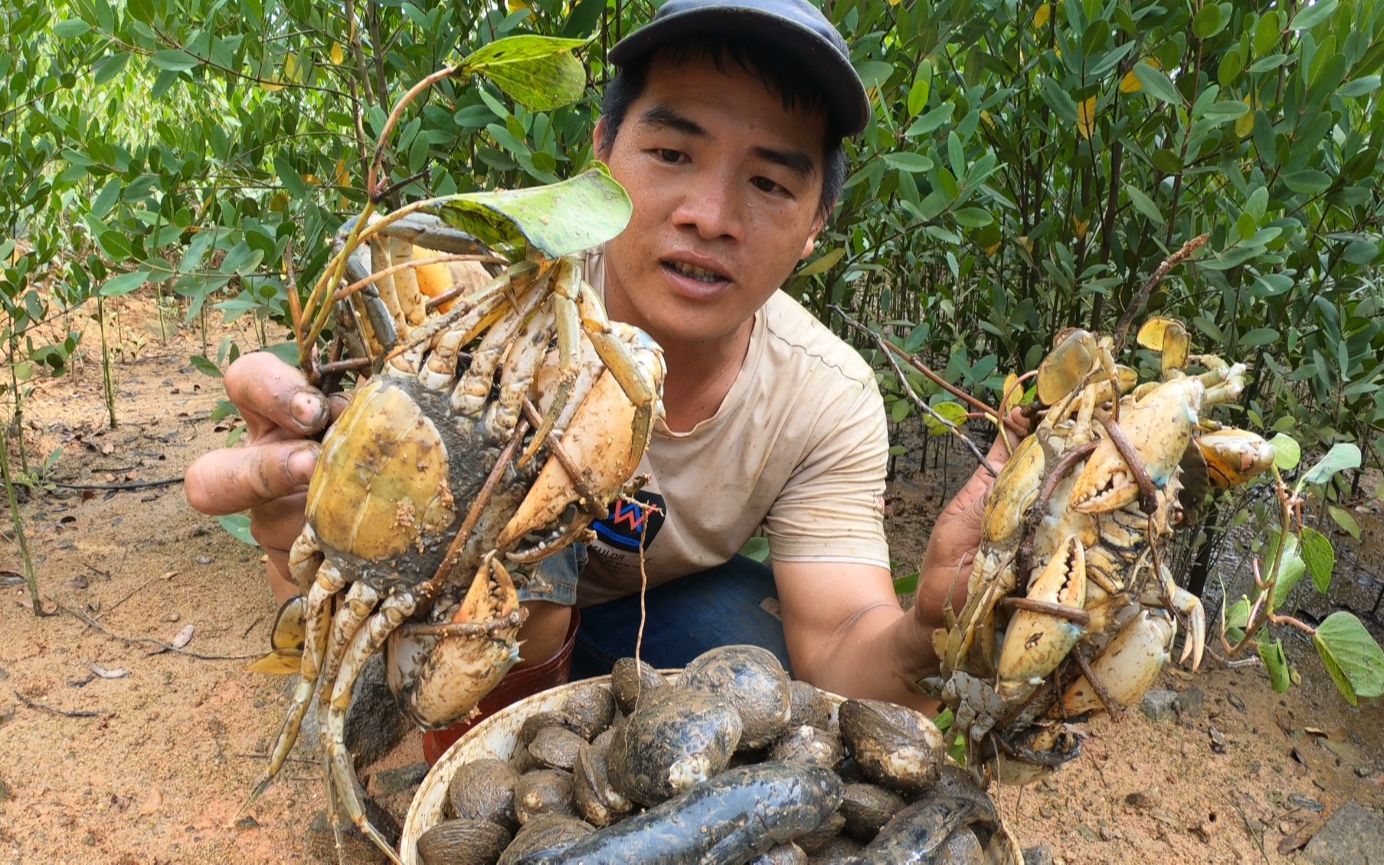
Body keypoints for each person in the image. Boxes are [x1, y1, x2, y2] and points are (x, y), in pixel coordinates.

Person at [185, 0, 1014, 712]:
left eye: (769, 183)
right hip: (463, 608)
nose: (710, 214)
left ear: (815, 225)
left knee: (757, 662)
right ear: (601, 157)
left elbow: (840, 640)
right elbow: (351, 523)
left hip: (646, 613)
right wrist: (299, 520)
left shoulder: (824, 395)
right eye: (671, 153)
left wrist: (932, 631)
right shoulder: (472, 309)